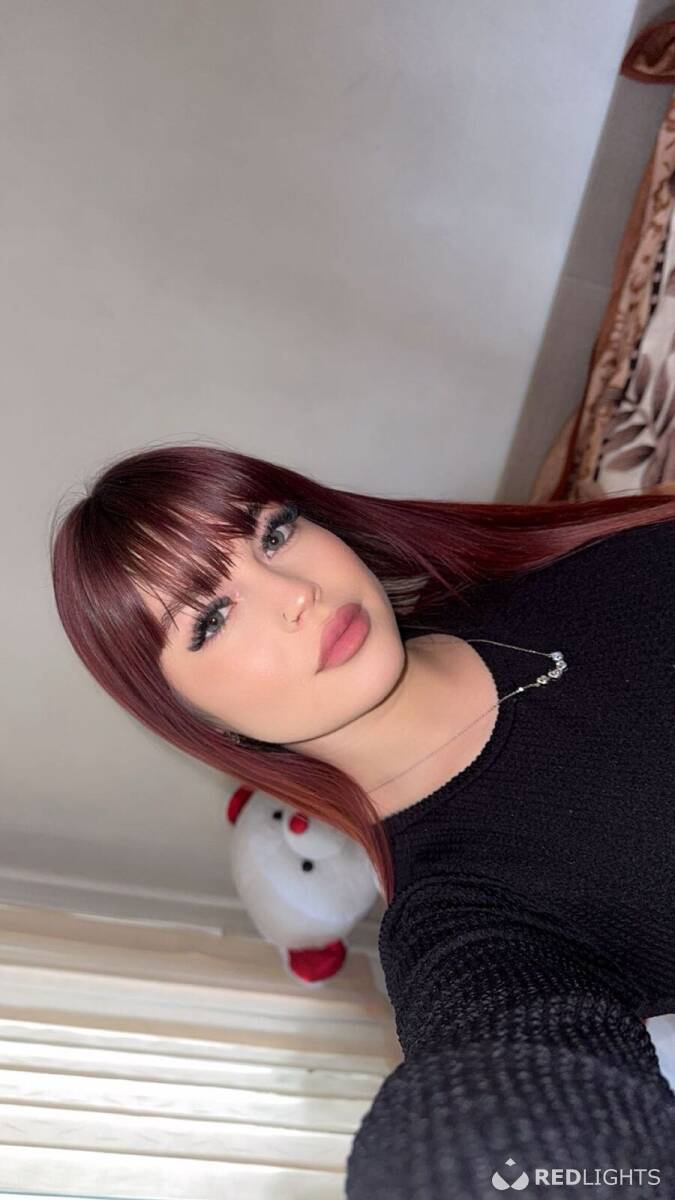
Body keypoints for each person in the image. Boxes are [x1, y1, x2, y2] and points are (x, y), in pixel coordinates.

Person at [50, 442, 675, 1197]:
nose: (295, 594)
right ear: (193, 718)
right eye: (211, 617)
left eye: (274, 533)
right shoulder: (464, 919)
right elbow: (512, 1118)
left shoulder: (520, 567)